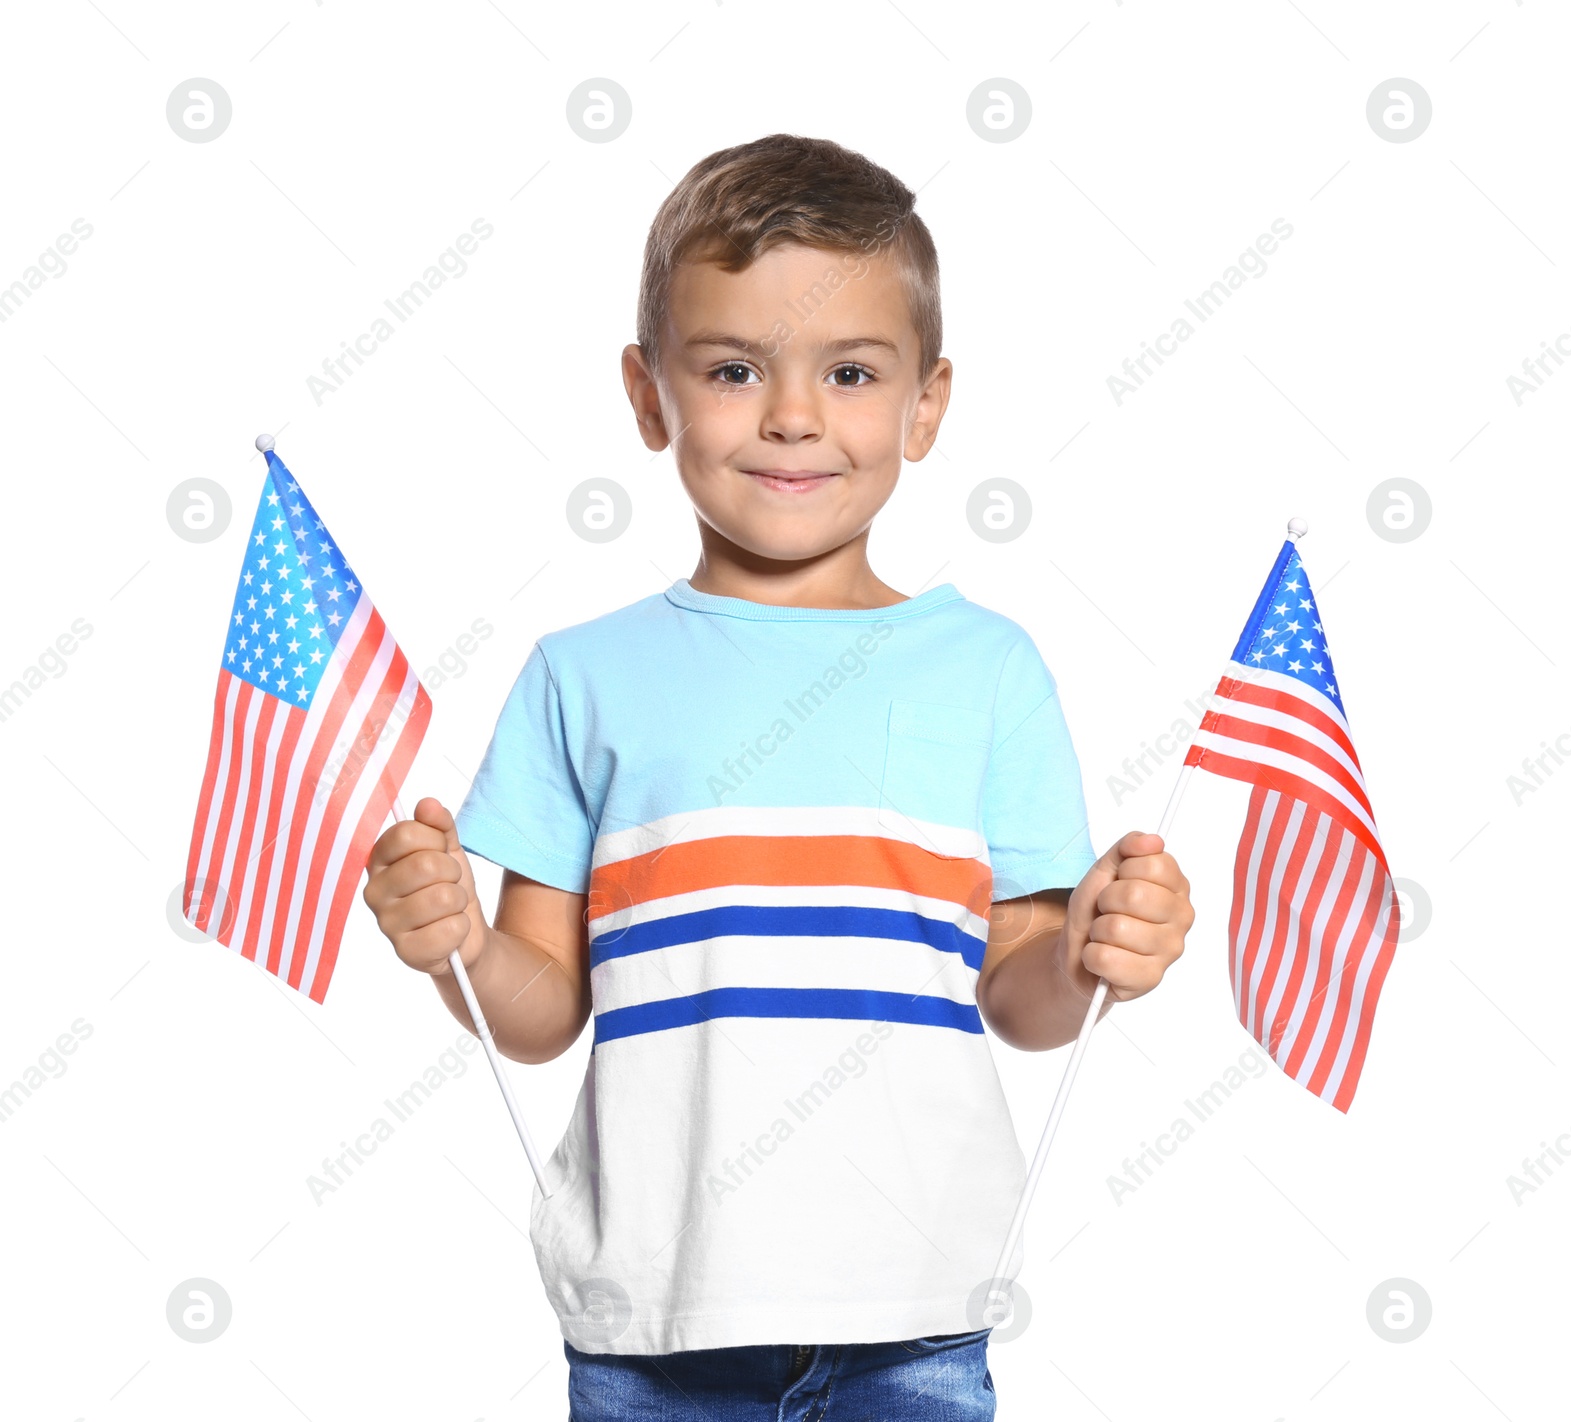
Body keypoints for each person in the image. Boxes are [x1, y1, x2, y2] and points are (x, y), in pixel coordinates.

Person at [362, 132, 1194, 1420]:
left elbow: (1022, 995)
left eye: (852, 371)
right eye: (736, 369)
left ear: (927, 402)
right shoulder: (584, 676)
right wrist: (456, 943)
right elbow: (537, 1015)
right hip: (651, 1329)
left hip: (916, 1321)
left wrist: (1090, 954)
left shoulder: (987, 669)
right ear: (651, 398)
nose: (795, 415)